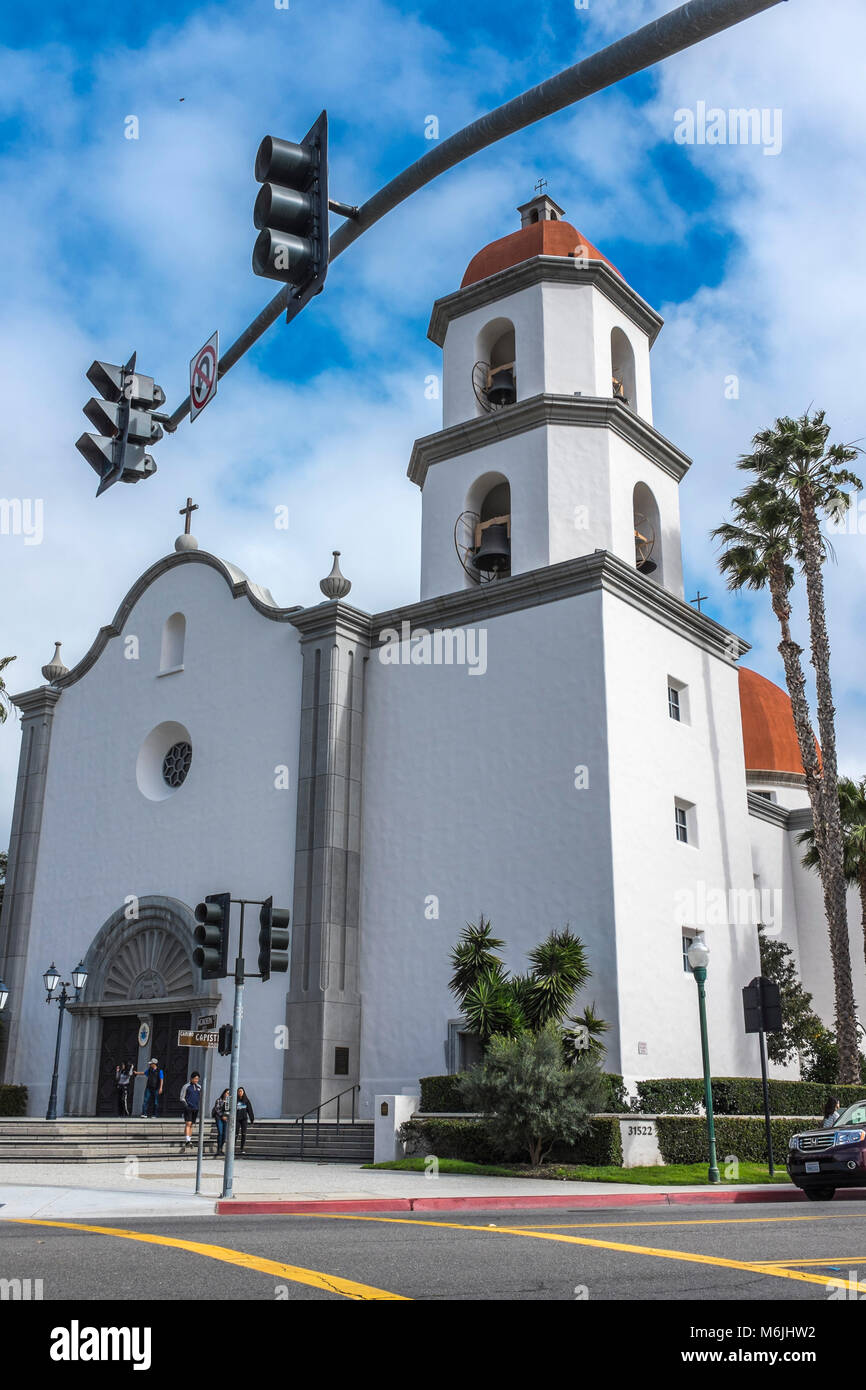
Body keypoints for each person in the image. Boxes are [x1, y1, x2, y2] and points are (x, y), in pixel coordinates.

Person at [180, 1071, 202, 1145]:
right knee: (188, 1123)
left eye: (197, 1079)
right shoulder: (186, 1086)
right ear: (191, 1078)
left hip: (195, 1108)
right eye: (195, 1078)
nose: (196, 1080)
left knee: (191, 1124)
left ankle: (189, 1139)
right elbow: (182, 1097)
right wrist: (186, 1106)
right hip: (188, 1107)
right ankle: (187, 1140)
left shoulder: (199, 1087)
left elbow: (200, 1097)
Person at [235, 1086, 255, 1155]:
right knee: (235, 1134)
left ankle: (242, 1148)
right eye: (239, 1091)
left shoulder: (246, 1100)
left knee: (244, 1134)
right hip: (237, 1119)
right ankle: (233, 1147)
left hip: (244, 1119)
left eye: (241, 1091)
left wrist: (252, 1119)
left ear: (243, 1092)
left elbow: (250, 1110)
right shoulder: (235, 1100)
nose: (240, 1092)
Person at [212, 1088, 230, 1155]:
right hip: (219, 1117)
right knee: (220, 1132)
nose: (228, 1094)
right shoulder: (219, 1100)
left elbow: (229, 1110)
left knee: (224, 1135)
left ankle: (221, 1148)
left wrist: (226, 1116)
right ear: (224, 1093)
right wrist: (222, 1116)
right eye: (227, 1093)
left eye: (229, 1093)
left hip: (226, 1119)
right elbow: (217, 1109)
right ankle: (218, 1149)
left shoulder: (229, 1101)